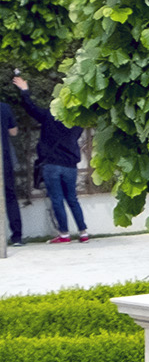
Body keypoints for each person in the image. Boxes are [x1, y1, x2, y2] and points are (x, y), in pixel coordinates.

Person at [7, 77, 88, 243]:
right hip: (70, 165)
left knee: (57, 200)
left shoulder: (49, 116)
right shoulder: (77, 121)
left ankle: (64, 235)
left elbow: (31, 108)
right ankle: (83, 233)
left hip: (51, 164)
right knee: (72, 199)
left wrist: (25, 91)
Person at [0, 96, 22, 246]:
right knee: (10, 197)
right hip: (4, 158)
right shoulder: (4, 107)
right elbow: (13, 132)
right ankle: (17, 236)